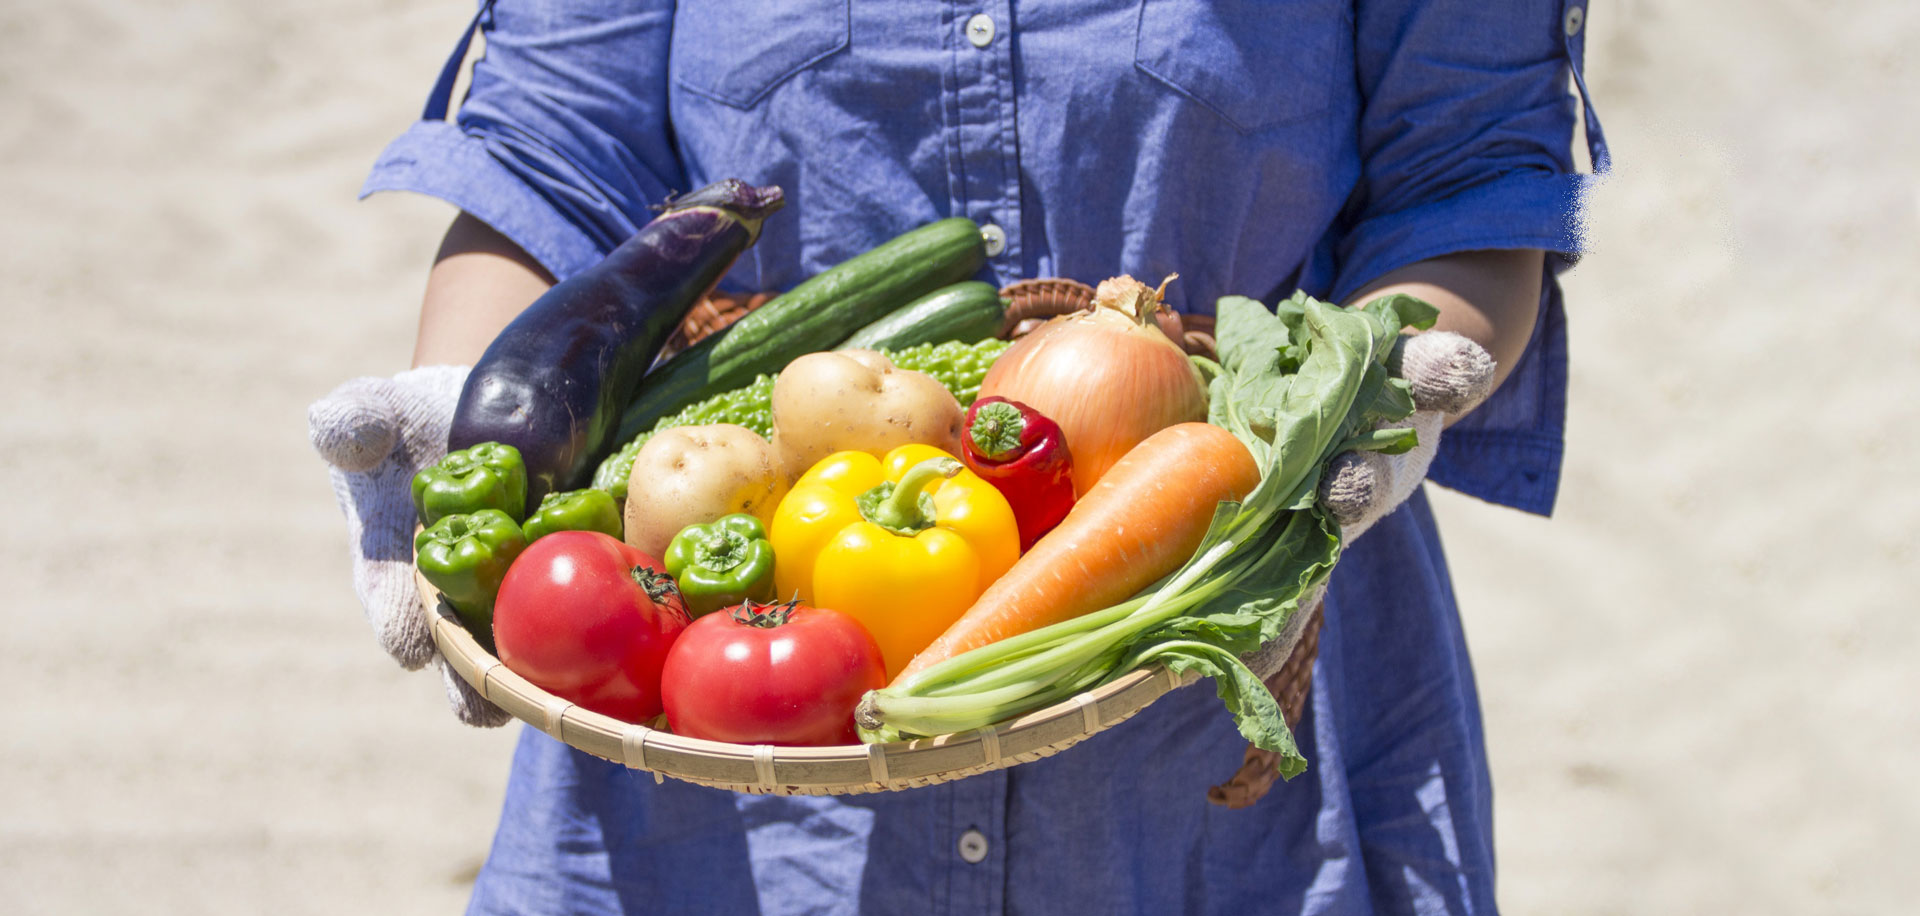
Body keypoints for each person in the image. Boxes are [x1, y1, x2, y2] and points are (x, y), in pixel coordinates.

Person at [311, 1, 1606, 912]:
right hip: (717, 683)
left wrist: (1368, 397)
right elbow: (548, 155)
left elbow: (1473, 170)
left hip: (1220, 602)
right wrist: (475, 404)